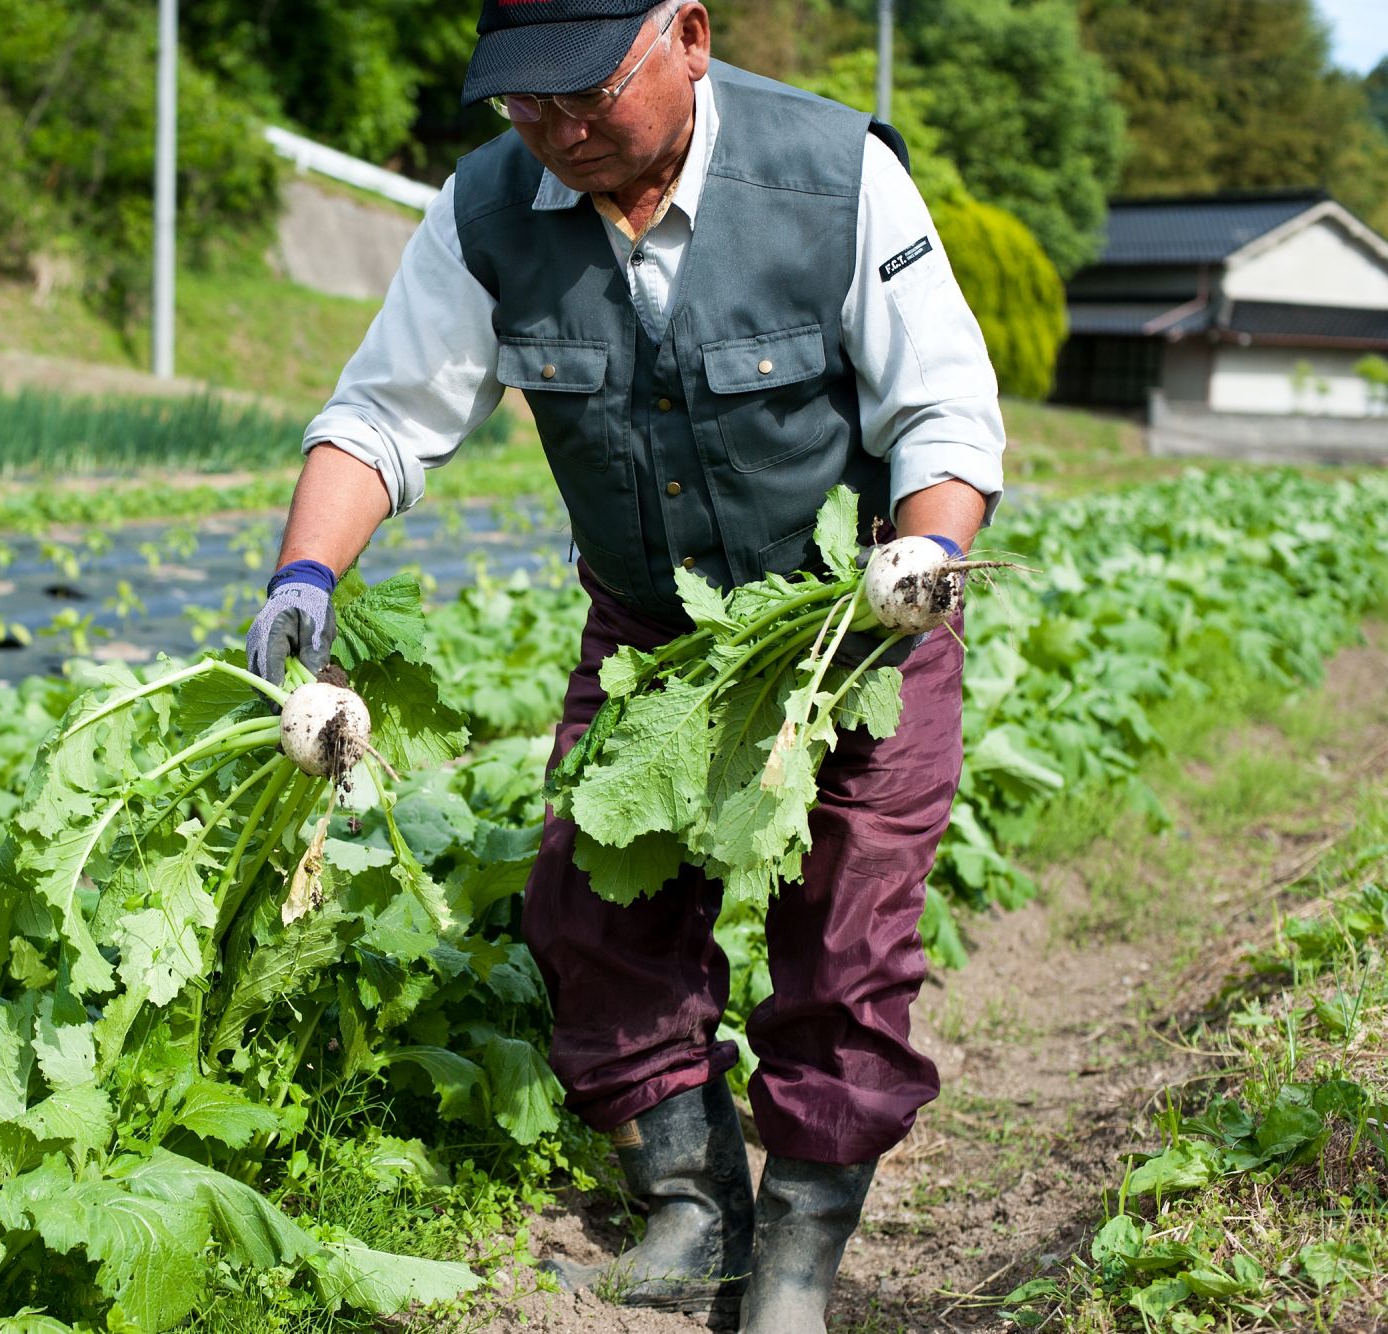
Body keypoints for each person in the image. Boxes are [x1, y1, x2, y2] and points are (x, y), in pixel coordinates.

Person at [246, 2, 1004, 1329]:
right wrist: (306, 573)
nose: (561, 129)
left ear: (691, 39)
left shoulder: (834, 176)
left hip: (854, 625)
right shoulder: (485, 213)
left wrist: (924, 555)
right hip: (654, 632)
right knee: (592, 910)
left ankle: (798, 1258)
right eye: (526, 102)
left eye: (590, 92)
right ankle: (694, 1202)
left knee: (846, 937)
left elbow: (940, 404)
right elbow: (382, 415)